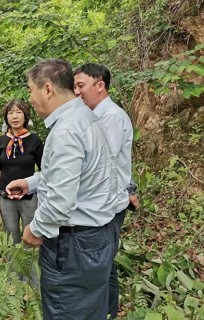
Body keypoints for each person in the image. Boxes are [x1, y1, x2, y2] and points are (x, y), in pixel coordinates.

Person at [6, 59, 119, 320]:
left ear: (47, 89)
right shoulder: (86, 118)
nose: (29, 98)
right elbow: (79, 174)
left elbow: (60, 199)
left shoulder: (66, 130)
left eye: (31, 90)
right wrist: (31, 182)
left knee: (67, 311)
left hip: (73, 246)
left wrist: (36, 228)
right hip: (96, 238)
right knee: (91, 311)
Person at [74, 63, 138, 319]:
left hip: (109, 204)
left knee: (102, 266)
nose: (77, 92)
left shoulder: (110, 117)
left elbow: (100, 163)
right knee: (103, 264)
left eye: (81, 86)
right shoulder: (96, 116)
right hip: (107, 201)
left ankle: (106, 312)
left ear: (100, 85)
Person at [0, 100, 43, 246]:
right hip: (6, 198)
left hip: (29, 197)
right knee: (11, 240)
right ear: (6, 117)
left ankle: (31, 269)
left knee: (31, 237)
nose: (14, 116)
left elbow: (44, 171)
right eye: (10, 113)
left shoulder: (35, 141)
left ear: (26, 116)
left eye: (18, 112)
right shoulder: (1, 141)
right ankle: (13, 269)